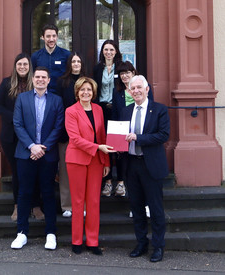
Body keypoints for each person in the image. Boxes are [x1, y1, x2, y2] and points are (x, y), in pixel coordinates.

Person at [11, 67, 64, 250]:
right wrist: (32, 146)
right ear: (33, 79)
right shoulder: (22, 98)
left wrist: (43, 147)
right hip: (26, 154)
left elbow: (58, 127)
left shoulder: (57, 101)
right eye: (38, 77)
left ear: (49, 80)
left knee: (48, 194)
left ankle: (50, 233)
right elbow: (17, 124)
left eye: (44, 77)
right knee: (24, 193)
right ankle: (22, 233)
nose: (40, 80)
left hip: (47, 155)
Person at [120, 75, 170, 262]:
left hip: (151, 165)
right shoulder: (126, 111)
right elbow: (121, 136)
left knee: (156, 209)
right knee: (137, 208)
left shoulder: (159, 110)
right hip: (132, 164)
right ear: (129, 91)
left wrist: (138, 138)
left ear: (147, 89)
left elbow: (163, 135)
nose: (136, 91)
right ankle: (141, 243)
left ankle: (158, 247)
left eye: (139, 87)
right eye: (133, 89)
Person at [65, 77, 114, 255]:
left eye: (89, 90)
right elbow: (75, 139)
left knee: (93, 201)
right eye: (82, 90)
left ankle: (92, 242)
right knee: (78, 202)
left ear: (93, 93)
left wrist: (106, 161)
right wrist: (97, 148)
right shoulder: (71, 111)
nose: (86, 93)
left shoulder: (99, 109)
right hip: (77, 159)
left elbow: (102, 136)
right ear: (77, 92)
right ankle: (77, 241)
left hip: (96, 161)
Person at [0, 52, 42, 222]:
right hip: (11, 137)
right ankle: (18, 206)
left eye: (25, 65)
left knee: (35, 170)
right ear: (15, 66)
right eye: (19, 64)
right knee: (17, 172)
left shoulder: (35, 84)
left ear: (30, 67)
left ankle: (36, 205)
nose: (22, 67)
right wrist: (15, 119)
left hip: (32, 136)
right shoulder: (7, 83)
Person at [112, 61, 154, 217]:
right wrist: (115, 141)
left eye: (127, 72)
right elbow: (116, 117)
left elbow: (151, 113)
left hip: (144, 140)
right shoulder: (118, 94)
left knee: (147, 177)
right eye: (122, 73)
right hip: (125, 140)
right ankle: (135, 206)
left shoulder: (144, 89)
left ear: (133, 72)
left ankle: (148, 205)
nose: (125, 76)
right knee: (131, 176)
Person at [55, 52, 86, 218]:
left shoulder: (87, 81)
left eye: (78, 61)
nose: (76, 64)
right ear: (69, 64)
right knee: (66, 171)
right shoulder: (62, 82)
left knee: (83, 171)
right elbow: (59, 107)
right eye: (73, 61)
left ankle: (83, 204)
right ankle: (67, 205)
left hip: (85, 133)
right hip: (66, 133)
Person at [93, 39, 122, 197]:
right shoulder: (98, 68)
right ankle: (108, 181)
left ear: (116, 51)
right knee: (105, 144)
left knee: (118, 145)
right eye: (106, 49)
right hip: (102, 109)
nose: (108, 52)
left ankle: (121, 182)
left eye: (111, 49)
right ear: (102, 52)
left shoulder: (122, 67)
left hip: (117, 110)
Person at [31, 24, 70, 94]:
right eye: (48, 36)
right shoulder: (35, 56)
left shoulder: (66, 55)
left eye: (54, 36)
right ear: (43, 37)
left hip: (62, 95)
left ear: (57, 37)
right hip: (42, 95)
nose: (51, 39)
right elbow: (32, 76)